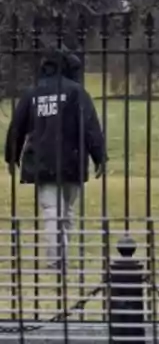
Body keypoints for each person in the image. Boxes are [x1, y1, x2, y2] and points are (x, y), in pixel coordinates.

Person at [4, 50, 107, 271]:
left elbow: (17, 127)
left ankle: (55, 260)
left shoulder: (33, 93)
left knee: (52, 211)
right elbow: (90, 127)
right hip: (72, 159)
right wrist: (100, 157)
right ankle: (61, 258)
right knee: (66, 211)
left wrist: (11, 156)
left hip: (42, 160)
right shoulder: (76, 92)